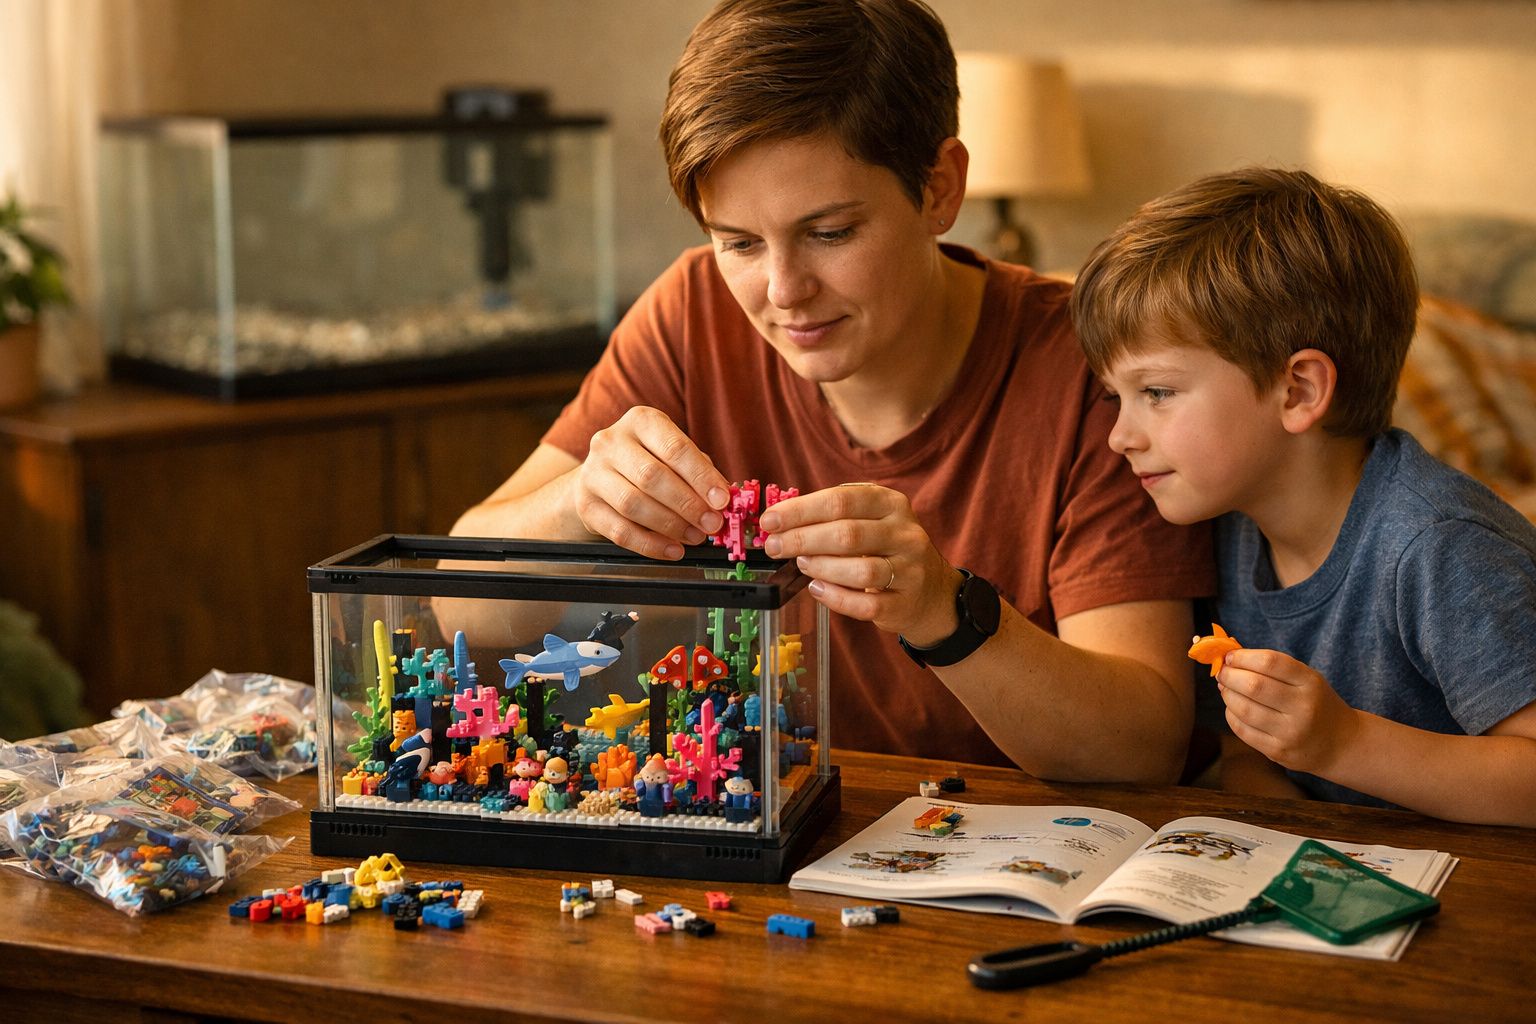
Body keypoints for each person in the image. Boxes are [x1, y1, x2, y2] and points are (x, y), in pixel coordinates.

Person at [453, 0, 1214, 782]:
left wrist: (943, 611)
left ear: (940, 190)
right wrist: (578, 501)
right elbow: (458, 611)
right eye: (739, 243)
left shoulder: (1090, 368)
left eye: (830, 233)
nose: (783, 292)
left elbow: (1145, 746)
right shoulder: (690, 315)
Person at [1072, 167, 1536, 826]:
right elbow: (1249, 744)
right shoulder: (1226, 527)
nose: (1120, 436)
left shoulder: (1439, 546)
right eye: (1113, 397)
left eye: (1157, 393)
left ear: (1299, 391)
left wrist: (1344, 744)